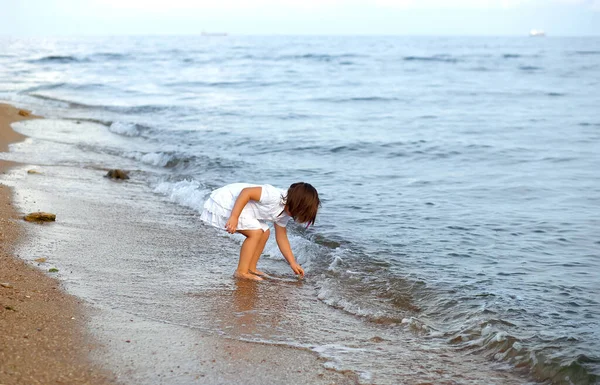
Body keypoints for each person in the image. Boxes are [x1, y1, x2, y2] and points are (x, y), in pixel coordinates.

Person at [200, 182, 320, 281]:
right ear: (294, 202)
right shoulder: (273, 195)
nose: (294, 216)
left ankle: (250, 268)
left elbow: (281, 237)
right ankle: (241, 271)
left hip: (242, 209)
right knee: (256, 232)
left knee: (265, 231)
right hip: (226, 202)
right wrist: (234, 217)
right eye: (296, 213)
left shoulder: (285, 213)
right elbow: (246, 192)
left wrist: (292, 262)